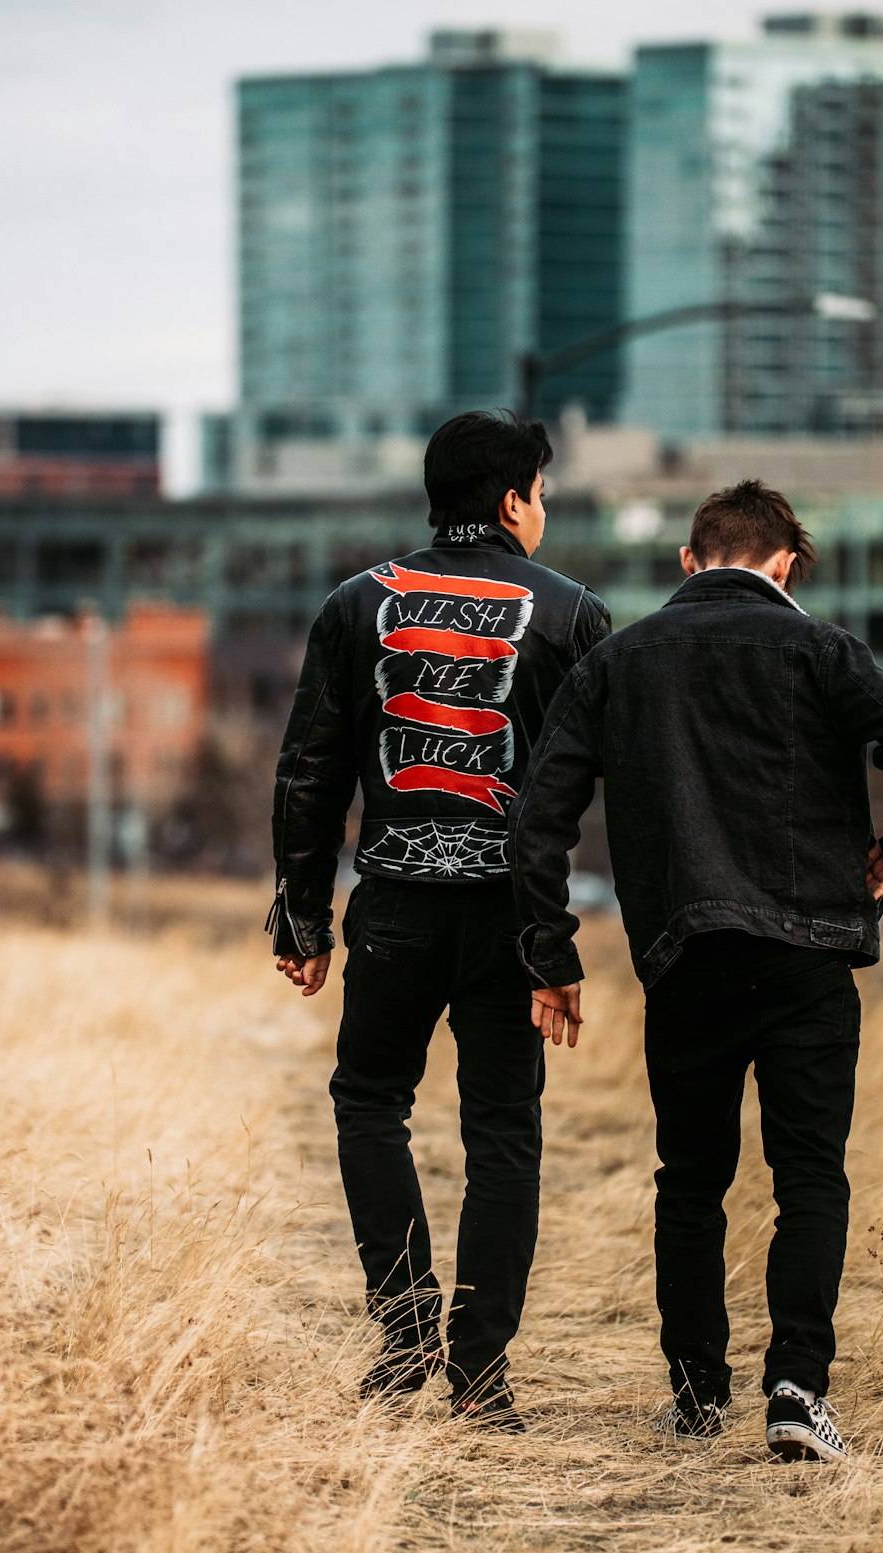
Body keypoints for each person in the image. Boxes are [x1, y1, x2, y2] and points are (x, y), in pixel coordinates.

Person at [509, 478, 883, 1461]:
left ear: (689, 561)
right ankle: (797, 1389)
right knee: (809, 1179)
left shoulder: (621, 662)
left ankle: (697, 1391)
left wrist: (551, 951)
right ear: (786, 565)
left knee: (691, 1181)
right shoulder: (821, 648)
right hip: (810, 957)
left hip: (686, 956)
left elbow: (538, 817)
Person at [268, 411, 610, 1431]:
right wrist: (554, 944)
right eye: (541, 493)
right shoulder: (573, 614)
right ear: (513, 500)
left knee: (370, 1101)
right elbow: (586, 799)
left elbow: (309, 773)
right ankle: (478, 1375)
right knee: (504, 1130)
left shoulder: (353, 605)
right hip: (510, 914)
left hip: (395, 907)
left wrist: (301, 916)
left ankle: (407, 1323)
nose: (542, 510)